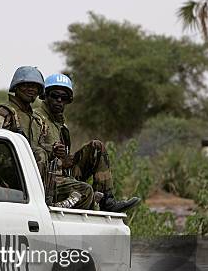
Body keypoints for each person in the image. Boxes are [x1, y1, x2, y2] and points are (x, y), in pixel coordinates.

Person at [0, 66, 94, 210]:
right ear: (17, 87)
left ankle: (48, 202)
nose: (31, 90)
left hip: (31, 172)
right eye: (26, 85)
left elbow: (39, 146)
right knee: (39, 154)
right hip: (8, 169)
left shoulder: (35, 119)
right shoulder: (4, 112)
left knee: (85, 190)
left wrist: (54, 150)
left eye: (35, 87)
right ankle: (41, 200)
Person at [35, 73, 140, 212]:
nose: (59, 100)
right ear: (45, 96)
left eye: (64, 97)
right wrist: (53, 154)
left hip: (63, 173)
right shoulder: (36, 118)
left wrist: (66, 159)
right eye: (55, 95)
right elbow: (29, 150)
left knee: (96, 147)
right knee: (85, 190)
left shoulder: (61, 124)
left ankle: (107, 201)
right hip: (46, 176)